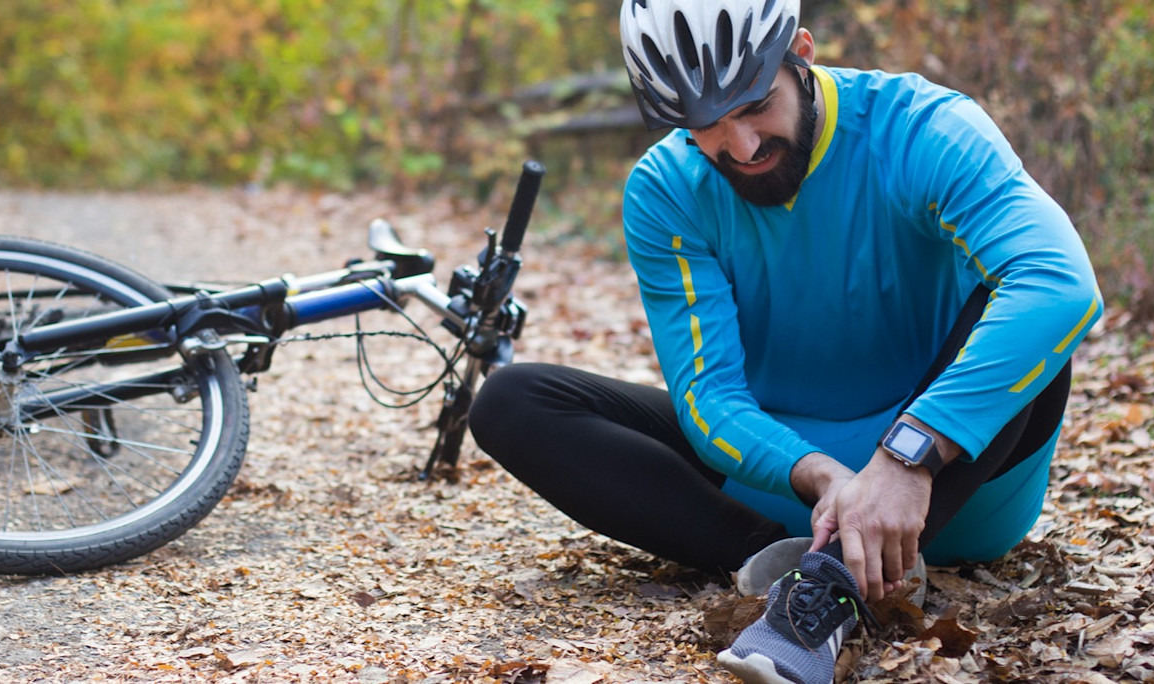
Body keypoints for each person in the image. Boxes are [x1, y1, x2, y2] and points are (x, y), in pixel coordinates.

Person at [467, 0, 1102, 681]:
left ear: (800, 50)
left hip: (949, 482)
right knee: (512, 400)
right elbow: (708, 397)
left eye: (756, 103)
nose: (740, 146)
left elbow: (1062, 286)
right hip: (791, 486)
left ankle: (830, 583)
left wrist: (904, 461)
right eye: (705, 123)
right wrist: (822, 475)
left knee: (1023, 321)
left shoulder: (924, 128)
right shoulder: (666, 188)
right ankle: (794, 562)